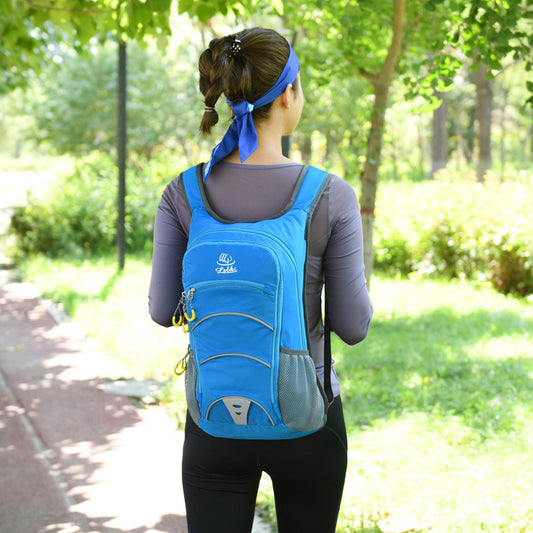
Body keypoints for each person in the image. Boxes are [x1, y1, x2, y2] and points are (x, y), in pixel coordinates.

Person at [149, 27, 372, 533]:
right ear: (289, 94)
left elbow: (162, 310)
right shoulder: (329, 195)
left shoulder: (183, 192)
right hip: (307, 418)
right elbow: (353, 326)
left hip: (213, 419)